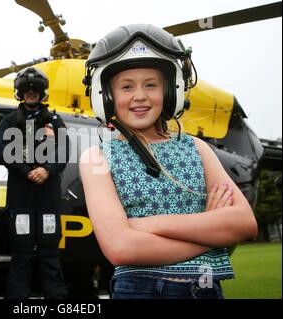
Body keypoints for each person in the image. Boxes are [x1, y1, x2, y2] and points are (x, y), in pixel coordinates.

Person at [79, 24, 258, 299]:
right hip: (138, 291)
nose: (139, 95)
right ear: (107, 96)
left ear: (171, 91)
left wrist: (149, 225)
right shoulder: (97, 157)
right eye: (126, 86)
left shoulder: (197, 148)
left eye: (151, 85)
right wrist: (211, 234)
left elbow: (244, 223)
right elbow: (121, 248)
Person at [0, 67, 69, 299]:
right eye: (27, 91)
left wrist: (47, 170)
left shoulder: (55, 121)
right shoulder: (9, 121)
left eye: (35, 91)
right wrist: (27, 171)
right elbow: (3, 151)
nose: (31, 95)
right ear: (20, 94)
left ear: (42, 93)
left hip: (48, 199)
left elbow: (64, 151)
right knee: (21, 253)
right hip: (21, 199)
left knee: (50, 253)